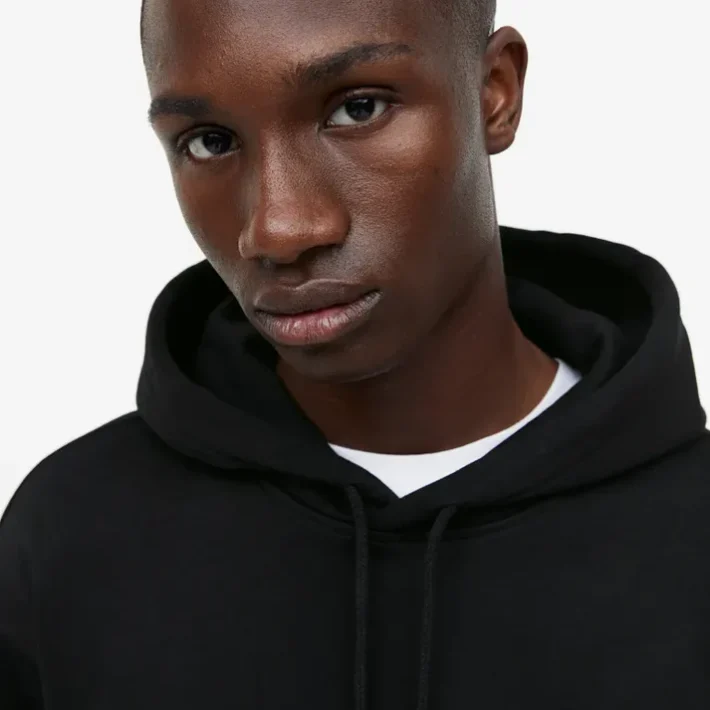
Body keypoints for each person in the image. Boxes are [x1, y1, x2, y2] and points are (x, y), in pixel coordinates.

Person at [1, 0, 708, 707]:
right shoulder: (69, 533)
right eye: (210, 142)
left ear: (495, 91)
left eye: (358, 108)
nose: (278, 230)